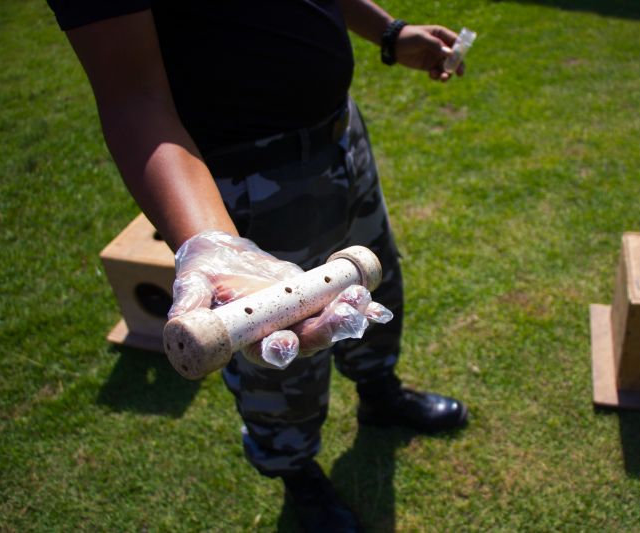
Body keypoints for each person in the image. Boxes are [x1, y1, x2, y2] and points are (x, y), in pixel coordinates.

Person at [47, 1, 468, 530]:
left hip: (340, 135)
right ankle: (296, 474)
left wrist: (388, 31)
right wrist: (213, 241)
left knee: (370, 298)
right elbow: (134, 97)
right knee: (284, 352)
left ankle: (379, 394)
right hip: (240, 182)